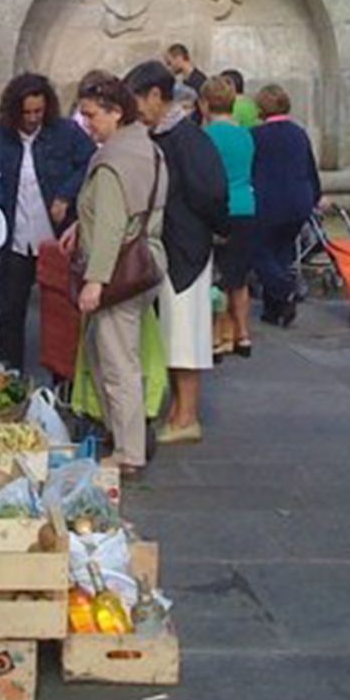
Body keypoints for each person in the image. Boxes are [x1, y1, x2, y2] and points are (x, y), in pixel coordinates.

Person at [58, 76, 168, 477]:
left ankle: (128, 452)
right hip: (148, 260)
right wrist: (78, 227)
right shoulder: (148, 150)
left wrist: (95, 280)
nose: (86, 124)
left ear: (115, 112)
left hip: (119, 271)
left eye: (90, 115)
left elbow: (109, 225)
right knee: (119, 355)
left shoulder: (111, 161)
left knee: (117, 362)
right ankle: (125, 438)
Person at [125, 60, 228, 444]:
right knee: (171, 332)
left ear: (156, 96)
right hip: (168, 247)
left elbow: (211, 192)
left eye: (138, 100)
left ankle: (187, 416)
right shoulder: (163, 137)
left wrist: (216, 229)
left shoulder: (187, 139)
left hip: (186, 248)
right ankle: (177, 411)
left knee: (185, 334)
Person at [0, 73, 96, 371]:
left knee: (62, 310)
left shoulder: (66, 132)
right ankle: (11, 371)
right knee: (11, 310)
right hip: (16, 237)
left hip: (57, 237)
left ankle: (64, 377)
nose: (33, 118)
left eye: (38, 111)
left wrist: (66, 195)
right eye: (26, 113)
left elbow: (90, 164)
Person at [251, 83, 322, 327]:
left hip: (269, 202)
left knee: (258, 251)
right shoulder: (299, 133)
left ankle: (283, 291)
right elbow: (310, 168)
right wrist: (315, 197)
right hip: (299, 201)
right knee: (281, 252)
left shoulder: (256, 136)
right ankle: (273, 310)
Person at [199, 76, 256, 357]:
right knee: (239, 277)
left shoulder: (207, 136)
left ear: (205, 104)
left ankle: (216, 336)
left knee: (215, 277)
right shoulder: (246, 134)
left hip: (219, 209)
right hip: (246, 205)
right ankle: (243, 334)